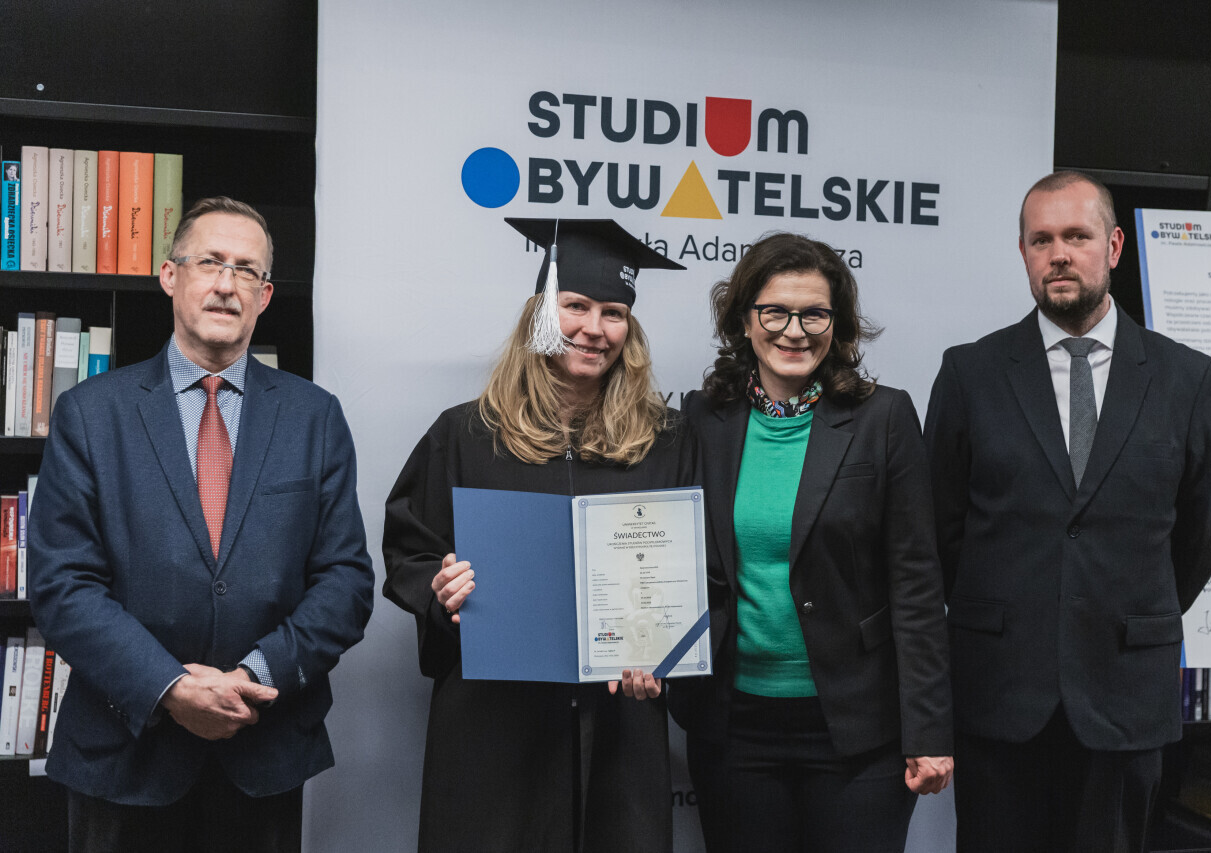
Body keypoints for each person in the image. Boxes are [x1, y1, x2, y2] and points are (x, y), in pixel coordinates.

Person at [28, 197, 375, 853]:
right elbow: (62, 584)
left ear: (265, 295)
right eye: (210, 262)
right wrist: (170, 687)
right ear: (170, 275)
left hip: (263, 750)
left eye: (246, 270)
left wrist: (254, 674)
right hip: (123, 755)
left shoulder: (315, 417)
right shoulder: (90, 414)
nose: (226, 283)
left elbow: (346, 580)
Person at [924, 171, 1211, 852]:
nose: (1058, 254)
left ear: (1113, 246)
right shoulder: (970, 373)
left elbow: (1203, 531)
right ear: (1024, 253)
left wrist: (1125, 606)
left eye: (1076, 236)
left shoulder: (1186, 377)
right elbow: (939, 528)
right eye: (1041, 240)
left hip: (1125, 691)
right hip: (1002, 693)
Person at [382, 218, 694, 853]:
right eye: (575, 305)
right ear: (540, 315)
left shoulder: (664, 441)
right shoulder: (467, 434)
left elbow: (697, 571)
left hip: (620, 719)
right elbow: (411, 550)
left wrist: (667, 657)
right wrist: (441, 588)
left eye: (613, 313)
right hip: (495, 722)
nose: (594, 328)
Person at [669, 232, 953, 853]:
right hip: (733, 727)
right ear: (745, 321)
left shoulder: (884, 418)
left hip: (858, 729)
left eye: (814, 314)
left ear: (837, 324)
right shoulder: (702, 419)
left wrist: (929, 729)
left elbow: (916, 584)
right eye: (775, 312)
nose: (794, 331)